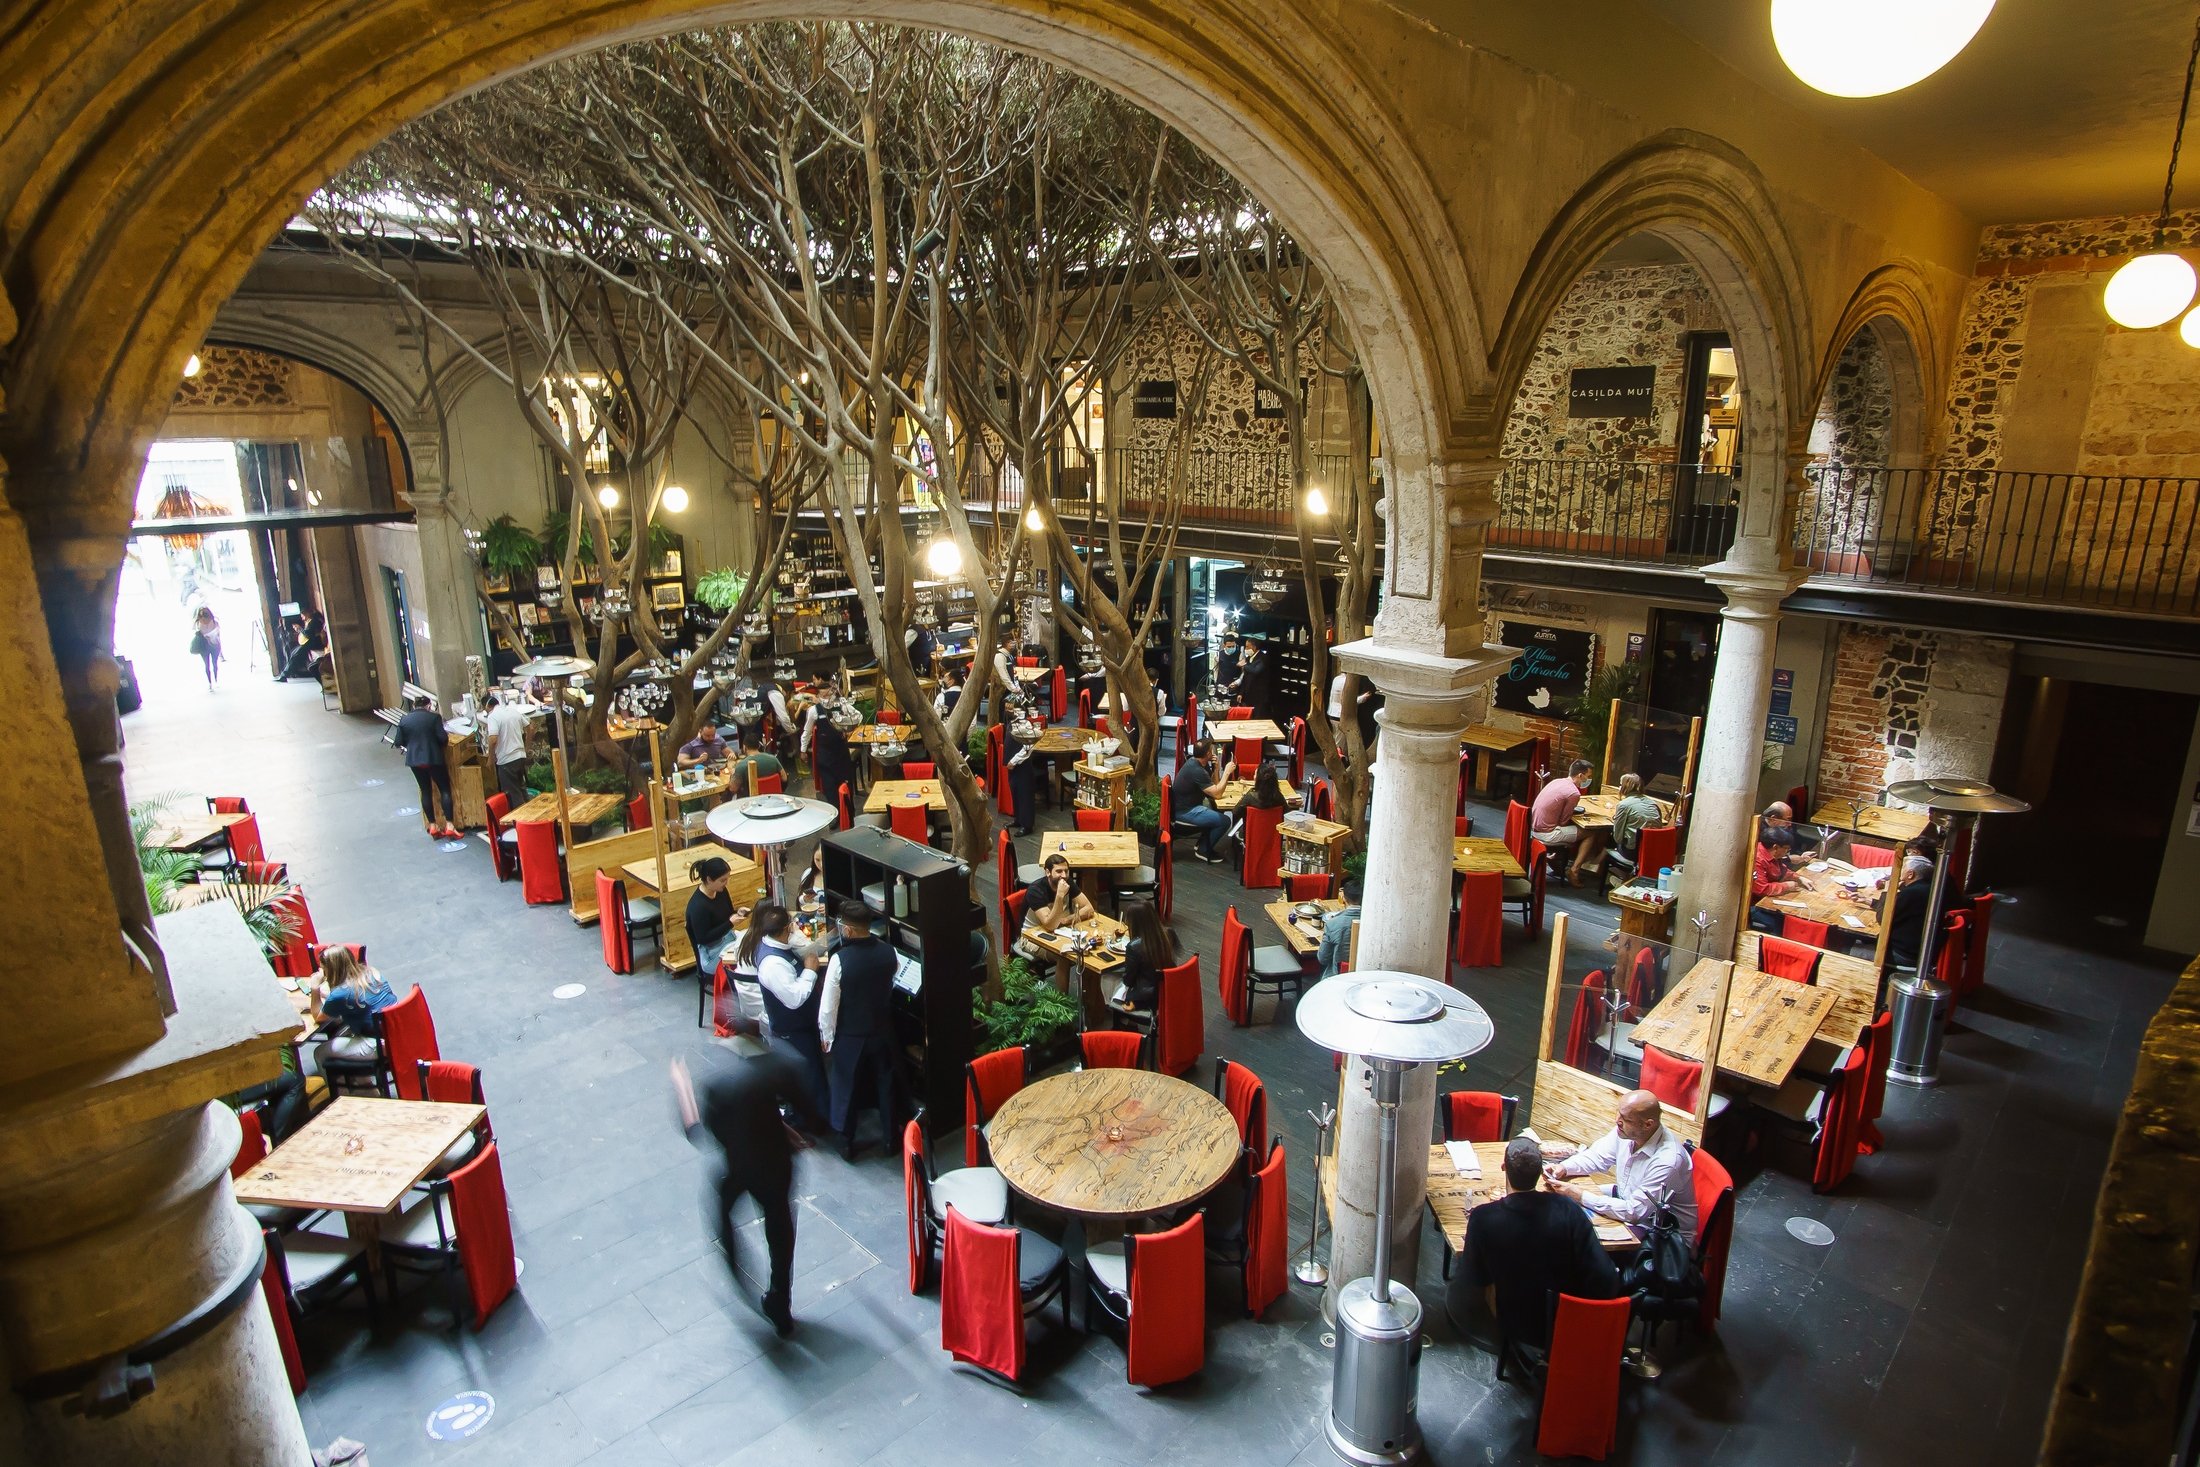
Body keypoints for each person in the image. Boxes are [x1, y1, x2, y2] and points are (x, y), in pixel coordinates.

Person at [669, 1049, 823, 1337]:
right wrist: (794, 1134)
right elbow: (810, 1116)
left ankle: (737, 1271)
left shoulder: (718, 1086)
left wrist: (682, 1087)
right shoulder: (783, 1067)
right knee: (780, 1229)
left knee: (722, 1208)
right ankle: (780, 1303)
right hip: (777, 1165)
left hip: (740, 1166)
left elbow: (698, 1133)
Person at [1446, 1137, 1621, 1363]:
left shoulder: (1483, 1217)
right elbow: (1603, 1274)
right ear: (1541, 1171)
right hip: (1569, 1321)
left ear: (1503, 1168)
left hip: (1517, 1324)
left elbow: (1473, 1278)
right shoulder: (1567, 1208)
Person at [1542, 1089, 1697, 1237]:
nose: (1617, 1121)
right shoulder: (1627, 1132)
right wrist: (1563, 1167)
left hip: (1659, 1235)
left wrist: (1579, 1195)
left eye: (1626, 1119)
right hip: (1628, 1201)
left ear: (1648, 1124)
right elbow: (1596, 1157)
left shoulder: (1668, 1161)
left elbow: (1634, 1212)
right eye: (1619, 1113)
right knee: (1560, 1204)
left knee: (1578, 1236)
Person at [817, 900, 905, 1160]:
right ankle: (891, 1140)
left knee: (847, 1087)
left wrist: (827, 1036)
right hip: (882, 1030)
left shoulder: (839, 961)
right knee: (885, 1084)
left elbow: (828, 1007)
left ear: (849, 930)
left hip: (851, 1035)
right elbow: (893, 979)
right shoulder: (890, 952)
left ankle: (846, 1143)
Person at [739, 903, 826, 1108]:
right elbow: (794, 998)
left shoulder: (773, 942)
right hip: (792, 1029)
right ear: (785, 929)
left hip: (803, 1024)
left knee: (814, 1071)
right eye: (791, 925)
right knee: (808, 1076)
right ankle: (811, 1121)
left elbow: (798, 943)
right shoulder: (773, 964)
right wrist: (811, 971)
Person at [394, 694, 460, 839]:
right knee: (444, 789)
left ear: (413, 705)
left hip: (414, 761)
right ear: (429, 706)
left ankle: (433, 825)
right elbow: (443, 738)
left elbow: (398, 741)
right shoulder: (434, 718)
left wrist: (411, 745)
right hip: (433, 758)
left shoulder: (404, 719)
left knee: (425, 791)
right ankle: (449, 825)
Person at [685, 856, 749, 984]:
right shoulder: (698, 906)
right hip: (710, 953)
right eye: (722, 880)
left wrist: (737, 912)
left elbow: (727, 914)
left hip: (726, 939)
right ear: (709, 879)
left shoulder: (720, 890)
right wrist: (730, 923)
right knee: (745, 961)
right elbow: (703, 938)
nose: (726, 883)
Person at [1531, 758, 1594, 885]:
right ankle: (1574, 871)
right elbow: (1563, 821)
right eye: (1588, 776)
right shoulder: (1573, 793)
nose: (1588, 780)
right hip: (1547, 833)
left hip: (1534, 829)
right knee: (1591, 833)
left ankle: (1555, 860)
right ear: (1580, 775)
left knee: (1575, 831)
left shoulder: (1557, 781)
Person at [1171, 745, 1233, 863]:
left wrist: (1216, 769)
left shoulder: (1197, 763)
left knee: (1217, 809)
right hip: (1185, 812)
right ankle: (1203, 850)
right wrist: (1226, 773)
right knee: (1225, 821)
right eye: (1212, 750)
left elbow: (1215, 785)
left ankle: (1203, 843)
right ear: (1208, 753)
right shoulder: (1197, 770)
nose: (1214, 752)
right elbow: (1217, 794)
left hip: (1187, 805)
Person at [1111, 898, 1174, 1012]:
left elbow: (1128, 980)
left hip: (1145, 997)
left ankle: (1120, 1021)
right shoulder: (1167, 934)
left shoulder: (1134, 947)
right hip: (1167, 990)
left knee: (1106, 979)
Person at [1881, 853, 1936, 968]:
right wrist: (1868, 901)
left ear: (1910, 874)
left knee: (1844, 948)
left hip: (1903, 956)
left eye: (1902, 869)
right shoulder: (1928, 889)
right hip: (1920, 953)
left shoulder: (1911, 893)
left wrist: (1887, 892)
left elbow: (1883, 919)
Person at [1022, 852, 1094, 935]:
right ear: (1048, 872)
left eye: (1066, 871)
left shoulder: (1067, 882)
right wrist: (1060, 895)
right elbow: (1050, 925)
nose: (1063, 875)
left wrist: (1066, 920)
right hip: (1032, 935)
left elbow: (1089, 909)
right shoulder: (1035, 891)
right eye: (1059, 871)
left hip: (1057, 929)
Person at [482, 692, 532, 810]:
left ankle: (521, 823)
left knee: (513, 795)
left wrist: (490, 758)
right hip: (520, 756)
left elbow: (493, 739)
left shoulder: (493, 716)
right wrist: (526, 747)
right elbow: (531, 728)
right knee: (522, 789)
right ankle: (530, 818)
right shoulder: (512, 711)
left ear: (487, 707)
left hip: (506, 760)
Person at [1749, 833, 1804, 931]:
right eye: (1786, 849)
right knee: (1785, 924)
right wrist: (1787, 886)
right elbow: (1762, 889)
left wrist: (1799, 877)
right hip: (1754, 906)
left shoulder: (1771, 854)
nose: (1787, 852)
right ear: (1775, 847)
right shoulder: (1758, 858)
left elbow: (1781, 870)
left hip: (1766, 901)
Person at [1607, 773, 1664, 862]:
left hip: (1633, 853)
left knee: (1606, 840)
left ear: (1625, 787)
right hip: (1653, 850)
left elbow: (1618, 838)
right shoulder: (1653, 803)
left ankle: (1597, 869)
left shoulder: (1623, 805)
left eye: (1621, 785)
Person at [1317, 877, 1364, 979]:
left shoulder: (1333, 924)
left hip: (1337, 977)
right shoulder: (1372, 922)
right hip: (1364, 975)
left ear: (1343, 898)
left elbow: (1323, 958)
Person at [812, 713, 856, 807]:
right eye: (823, 696)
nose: (826, 697)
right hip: (825, 758)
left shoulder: (842, 707)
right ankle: (836, 816)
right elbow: (807, 731)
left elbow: (857, 716)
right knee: (831, 792)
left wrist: (849, 728)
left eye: (828, 696)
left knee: (846, 792)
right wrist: (803, 750)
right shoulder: (814, 711)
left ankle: (849, 816)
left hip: (841, 756)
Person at [275, 611, 327, 682]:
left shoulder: (314, 621)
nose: (302, 618)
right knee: (293, 652)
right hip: (310, 643)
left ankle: (285, 675)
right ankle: (287, 673)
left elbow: (309, 635)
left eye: (302, 616)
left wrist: (300, 629)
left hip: (314, 643)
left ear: (307, 613)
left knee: (296, 654)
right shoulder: (309, 621)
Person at [187, 605, 223, 689]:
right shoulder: (199, 622)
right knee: (209, 665)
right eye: (201, 615)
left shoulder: (213, 622)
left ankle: (214, 681)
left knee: (212, 664)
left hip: (211, 646)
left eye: (204, 615)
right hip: (207, 646)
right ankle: (211, 682)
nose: (203, 617)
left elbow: (217, 634)